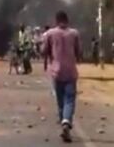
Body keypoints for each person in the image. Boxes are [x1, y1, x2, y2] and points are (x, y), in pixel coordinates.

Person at [42, 11, 81, 143]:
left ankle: (63, 122)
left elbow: (44, 51)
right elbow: (78, 52)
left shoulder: (50, 34)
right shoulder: (74, 34)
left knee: (60, 99)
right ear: (67, 20)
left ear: (56, 21)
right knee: (69, 99)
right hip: (70, 71)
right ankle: (66, 122)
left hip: (56, 72)